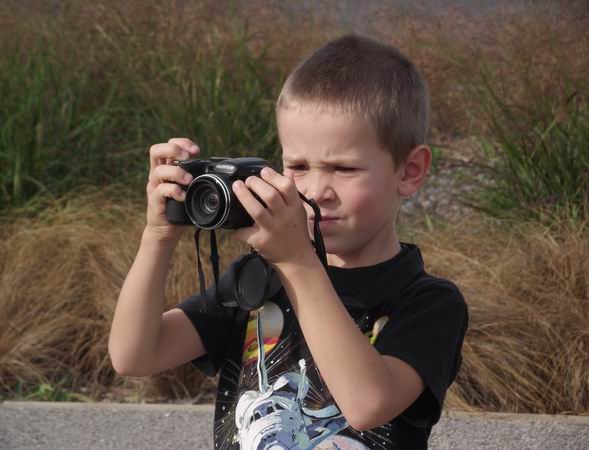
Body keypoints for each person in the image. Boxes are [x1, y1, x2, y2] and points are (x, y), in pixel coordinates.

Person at [109, 34, 468, 449]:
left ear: (409, 171)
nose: (316, 190)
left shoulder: (428, 302)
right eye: (297, 166)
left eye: (345, 169)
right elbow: (135, 355)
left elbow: (368, 405)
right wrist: (157, 236)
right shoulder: (257, 280)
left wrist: (297, 261)